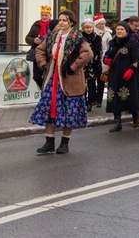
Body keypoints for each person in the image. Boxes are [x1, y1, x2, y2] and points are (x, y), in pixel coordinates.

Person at [30, 10, 93, 154]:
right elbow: (40, 50)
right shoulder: (53, 36)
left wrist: (73, 66)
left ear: (71, 22)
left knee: (68, 111)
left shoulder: (77, 38)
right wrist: (43, 63)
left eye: (65, 20)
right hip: (53, 78)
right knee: (49, 109)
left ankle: (65, 142)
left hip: (69, 79)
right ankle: (49, 141)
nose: (62, 22)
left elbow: (88, 54)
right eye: (60, 20)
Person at [104, 22, 139, 132]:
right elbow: (108, 55)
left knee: (130, 97)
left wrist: (131, 69)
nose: (119, 31)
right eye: (118, 29)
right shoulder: (112, 42)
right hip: (115, 74)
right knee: (115, 98)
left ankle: (135, 116)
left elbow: (137, 59)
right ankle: (117, 122)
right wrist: (106, 59)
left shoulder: (132, 42)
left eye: (122, 29)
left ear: (126, 31)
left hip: (128, 75)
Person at [25, 5, 54, 89]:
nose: (44, 17)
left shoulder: (53, 25)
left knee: (47, 75)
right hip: (37, 53)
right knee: (36, 76)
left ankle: (47, 92)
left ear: (50, 16)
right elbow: (28, 38)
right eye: (42, 15)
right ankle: (44, 90)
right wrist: (34, 40)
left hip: (48, 54)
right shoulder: (36, 25)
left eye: (46, 15)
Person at [80, 18, 103, 112]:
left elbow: (99, 51)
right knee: (82, 84)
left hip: (94, 64)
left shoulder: (97, 37)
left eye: (90, 27)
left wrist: (94, 60)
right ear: (83, 28)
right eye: (86, 28)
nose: (88, 29)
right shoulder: (80, 38)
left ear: (93, 27)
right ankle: (84, 102)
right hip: (82, 65)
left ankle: (90, 102)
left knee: (92, 84)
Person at [92, 14, 112, 108]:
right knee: (91, 81)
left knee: (101, 80)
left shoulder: (107, 34)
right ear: (96, 24)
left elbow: (110, 46)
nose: (102, 26)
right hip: (94, 59)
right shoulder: (92, 33)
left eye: (104, 24)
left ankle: (99, 100)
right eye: (100, 24)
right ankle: (92, 99)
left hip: (103, 59)